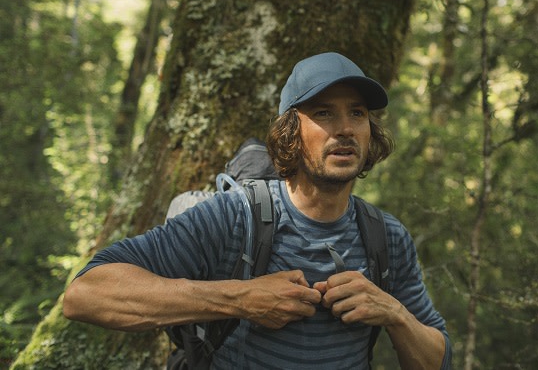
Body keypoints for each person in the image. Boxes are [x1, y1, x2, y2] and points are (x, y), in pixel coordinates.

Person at [63, 52, 452, 369]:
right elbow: (86, 294)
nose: (345, 128)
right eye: (323, 113)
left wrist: (394, 313)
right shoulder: (236, 217)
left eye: (357, 113)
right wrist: (240, 299)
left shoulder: (386, 236)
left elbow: (437, 359)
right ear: (290, 133)